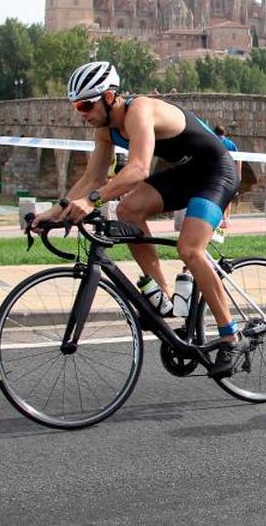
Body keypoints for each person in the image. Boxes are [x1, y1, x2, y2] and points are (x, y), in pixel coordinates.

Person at [30, 61, 245, 378]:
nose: (82, 113)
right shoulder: (105, 130)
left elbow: (139, 169)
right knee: (128, 210)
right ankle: (161, 296)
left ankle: (231, 336)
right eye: (77, 106)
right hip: (187, 173)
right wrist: (55, 211)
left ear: (108, 97)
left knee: (189, 248)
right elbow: (92, 178)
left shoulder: (140, 110)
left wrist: (92, 201)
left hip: (216, 172)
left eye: (86, 104)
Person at [211, 124, 242, 243]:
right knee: (228, 197)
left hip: (216, 174)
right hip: (230, 174)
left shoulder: (213, 141)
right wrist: (239, 175)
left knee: (217, 198)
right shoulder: (230, 144)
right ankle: (226, 219)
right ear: (224, 133)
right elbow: (239, 158)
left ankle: (219, 221)